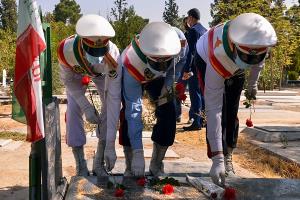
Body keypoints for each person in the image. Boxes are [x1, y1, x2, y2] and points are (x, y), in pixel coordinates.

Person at [196, 13, 277, 185]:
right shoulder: (217, 54)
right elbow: (213, 109)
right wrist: (217, 158)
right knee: (221, 110)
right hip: (206, 58)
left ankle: (229, 156)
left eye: (253, 59)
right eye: (247, 59)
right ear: (234, 47)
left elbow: (258, 64)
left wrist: (252, 85)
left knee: (232, 111)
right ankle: (218, 158)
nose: (251, 63)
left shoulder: (259, 41)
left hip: (235, 61)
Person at [119, 22, 187, 177]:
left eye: (166, 61)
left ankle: (156, 163)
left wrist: (168, 84)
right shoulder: (130, 59)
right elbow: (134, 109)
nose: (163, 64)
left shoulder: (180, 43)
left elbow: (181, 61)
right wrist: (138, 151)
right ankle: (131, 163)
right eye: (158, 61)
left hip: (161, 79)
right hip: (137, 73)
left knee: (169, 112)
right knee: (128, 115)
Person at [57, 14, 121, 176]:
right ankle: (80, 163)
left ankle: (99, 162)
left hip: (101, 76)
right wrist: (86, 106)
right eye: (93, 51)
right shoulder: (66, 50)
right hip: (76, 75)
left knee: (110, 108)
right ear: (83, 43)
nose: (97, 55)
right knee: (73, 110)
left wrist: (109, 145)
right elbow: (68, 81)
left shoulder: (112, 54)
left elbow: (113, 98)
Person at [182, 8, 207, 131]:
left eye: (188, 18)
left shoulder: (193, 31)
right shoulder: (204, 30)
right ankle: (203, 119)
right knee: (202, 93)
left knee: (195, 94)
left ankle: (196, 121)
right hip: (204, 66)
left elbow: (191, 52)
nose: (188, 21)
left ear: (191, 18)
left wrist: (186, 69)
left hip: (194, 67)